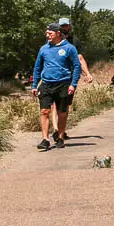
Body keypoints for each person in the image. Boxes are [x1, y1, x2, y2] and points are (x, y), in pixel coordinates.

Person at [31, 22, 81, 151]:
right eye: (46, 33)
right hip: (46, 84)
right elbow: (37, 67)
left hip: (63, 84)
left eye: (50, 33)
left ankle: (60, 137)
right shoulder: (43, 49)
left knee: (61, 112)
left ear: (58, 33)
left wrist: (73, 84)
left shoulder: (69, 48)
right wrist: (34, 85)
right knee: (44, 111)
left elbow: (76, 66)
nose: (47, 35)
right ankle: (45, 139)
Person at [54, 17, 94, 140]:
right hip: (54, 76)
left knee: (65, 105)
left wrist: (87, 73)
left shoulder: (74, 41)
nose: (64, 28)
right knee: (54, 105)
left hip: (69, 77)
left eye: (66, 26)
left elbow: (80, 58)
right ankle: (56, 130)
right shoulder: (53, 40)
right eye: (62, 26)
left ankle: (62, 130)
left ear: (69, 27)